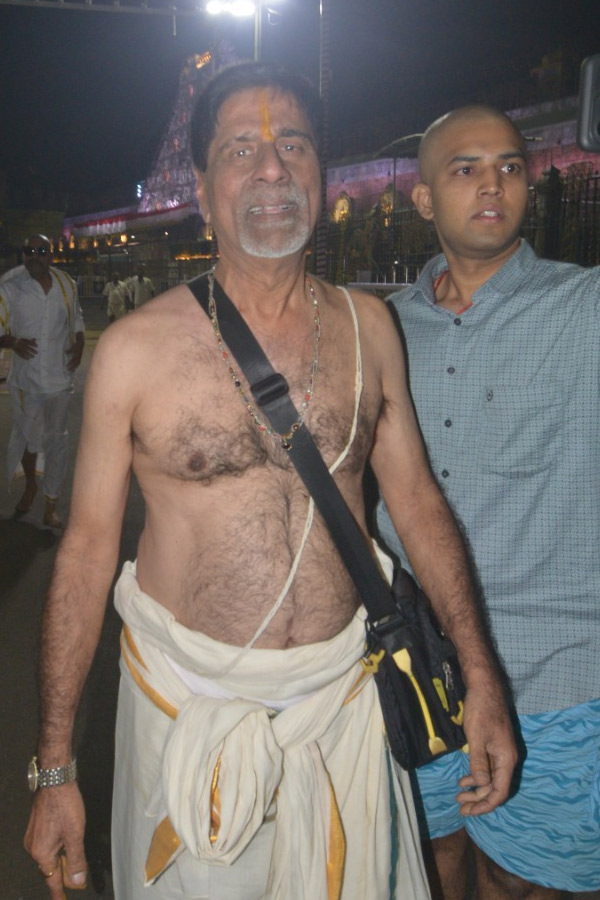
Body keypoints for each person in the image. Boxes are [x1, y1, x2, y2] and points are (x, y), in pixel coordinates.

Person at [24, 65, 516, 900]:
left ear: (319, 179)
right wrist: (55, 766)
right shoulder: (134, 352)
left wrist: (482, 678)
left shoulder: (370, 327)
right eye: (240, 149)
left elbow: (418, 503)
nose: (272, 168)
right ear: (205, 189)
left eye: (292, 145)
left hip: (344, 711)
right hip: (188, 715)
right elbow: (85, 553)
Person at [376, 105, 600, 900]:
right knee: (428, 869)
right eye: (464, 168)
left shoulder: (585, 309)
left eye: (509, 165)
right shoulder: (383, 331)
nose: (492, 183)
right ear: (424, 200)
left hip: (554, 678)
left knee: (524, 883)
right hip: (415, 677)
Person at [0, 234, 84, 528]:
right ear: (23, 255)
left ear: (51, 255)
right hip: (28, 381)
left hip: (59, 378)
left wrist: (81, 342)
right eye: (29, 251)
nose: (34, 255)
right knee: (28, 440)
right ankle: (31, 485)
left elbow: (75, 319)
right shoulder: (10, 288)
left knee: (57, 441)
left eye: (41, 251)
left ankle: (51, 502)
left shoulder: (66, 284)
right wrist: (11, 341)